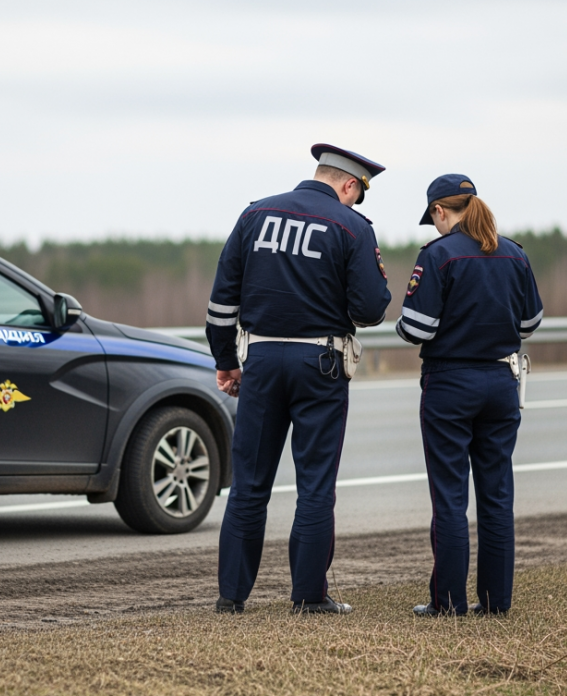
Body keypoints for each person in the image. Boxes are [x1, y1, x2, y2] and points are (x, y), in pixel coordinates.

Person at [206, 144, 392, 615]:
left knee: (249, 481)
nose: (353, 203)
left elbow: (221, 303)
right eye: (356, 195)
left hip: (262, 360)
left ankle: (231, 596)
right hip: (320, 365)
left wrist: (226, 360)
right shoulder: (352, 227)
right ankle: (308, 597)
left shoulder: (255, 214)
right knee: (314, 485)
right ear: (349, 184)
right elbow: (371, 309)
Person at [396, 173, 543, 616]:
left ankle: (448, 603)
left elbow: (415, 329)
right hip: (501, 384)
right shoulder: (514, 253)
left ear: (440, 211)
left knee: (450, 498)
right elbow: (530, 323)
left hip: (450, 386)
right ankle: (496, 604)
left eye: (434, 218)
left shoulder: (438, 256)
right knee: (497, 497)